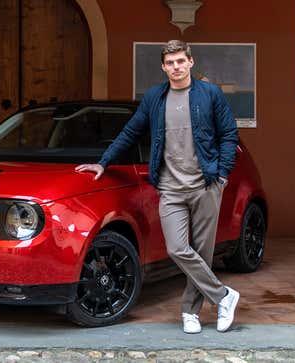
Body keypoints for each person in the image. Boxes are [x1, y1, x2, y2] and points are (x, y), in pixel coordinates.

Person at [75, 40, 240, 333]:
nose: (176, 67)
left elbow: (229, 134)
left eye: (180, 61)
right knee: (177, 248)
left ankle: (190, 312)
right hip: (170, 187)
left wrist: (223, 176)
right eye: (170, 63)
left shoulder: (210, 95)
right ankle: (224, 296)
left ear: (191, 62)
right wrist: (104, 162)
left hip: (205, 185)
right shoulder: (155, 98)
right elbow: (131, 131)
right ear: (164, 67)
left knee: (202, 253)